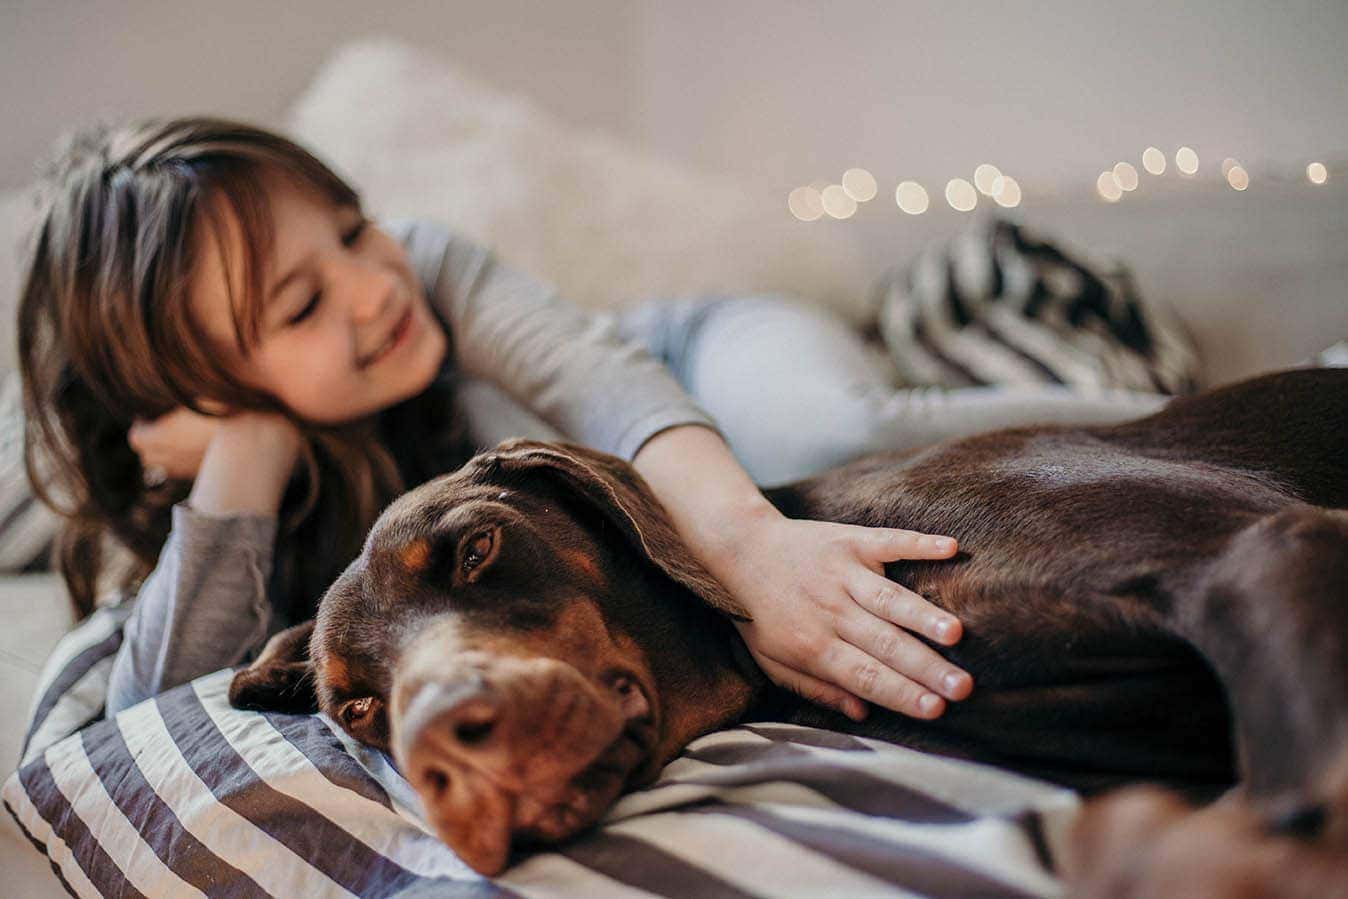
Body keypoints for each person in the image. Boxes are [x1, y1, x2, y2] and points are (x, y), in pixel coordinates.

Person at [16, 117, 1166, 725]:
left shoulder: (427, 270)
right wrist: (247, 454)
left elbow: (600, 377)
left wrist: (748, 549)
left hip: (698, 361)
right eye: (302, 304)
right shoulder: (232, 477)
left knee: (818, 438)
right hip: (656, 450)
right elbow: (150, 715)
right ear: (206, 386)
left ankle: (1173, 411)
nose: (374, 283)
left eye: (353, 227)